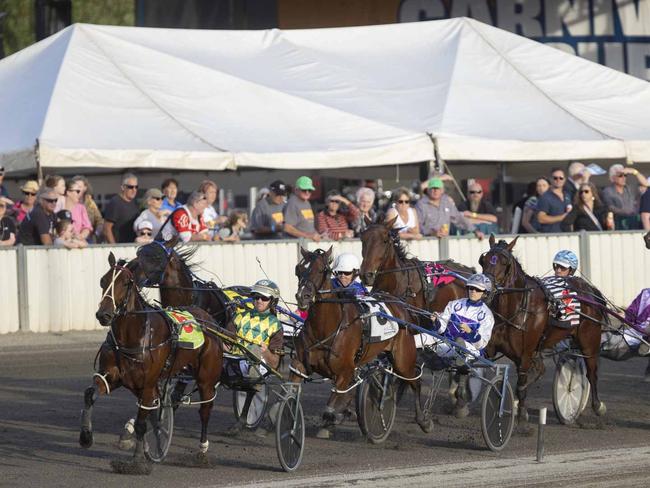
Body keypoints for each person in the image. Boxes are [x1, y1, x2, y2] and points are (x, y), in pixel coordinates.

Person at [224, 279, 284, 436]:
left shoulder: (275, 325)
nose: (259, 301)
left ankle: (253, 380)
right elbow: (226, 343)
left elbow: (275, 362)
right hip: (234, 361)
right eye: (256, 297)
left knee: (254, 349)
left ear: (272, 301)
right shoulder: (239, 317)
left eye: (264, 298)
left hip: (259, 365)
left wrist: (265, 351)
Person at [432, 273, 495, 418]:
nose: (473, 291)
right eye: (471, 288)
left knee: (461, 344)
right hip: (448, 344)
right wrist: (436, 319)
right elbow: (441, 328)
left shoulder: (487, 315)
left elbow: (481, 344)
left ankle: (461, 362)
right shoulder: (455, 304)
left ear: (484, 293)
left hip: (472, 350)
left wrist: (471, 331)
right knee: (423, 338)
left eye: (478, 290)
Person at [416, 178, 484, 239]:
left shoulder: (447, 202)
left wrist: (475, 230)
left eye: (438, 188)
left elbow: (458, 218)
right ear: (428, 190)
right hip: (426, 242)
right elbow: (417, 225)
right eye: (433, 188)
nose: (435, 191)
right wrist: (431, 232)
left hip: (445, 241)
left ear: (442, 190)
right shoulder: (421, 204)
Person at [601, 164, 648, 230]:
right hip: (618, 223)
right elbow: (610, 207)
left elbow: (646, 184)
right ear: (613, 178)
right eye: (620, 175)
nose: (624, 178)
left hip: (634, 222)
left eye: (625, 175)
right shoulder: (608, 191)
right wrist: (627, 212)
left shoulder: (630, 189)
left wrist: (634, 172)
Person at [103, 173, 140, 244]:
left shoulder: (135, 202)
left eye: (136, 187)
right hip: (119, 246)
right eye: (131, 187)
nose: (134, 190)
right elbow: (106, 228)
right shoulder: (115, 202)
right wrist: (114, 247)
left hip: (132, 246)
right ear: (123, 187)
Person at [283, 176, 320, 242]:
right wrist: (308, 236)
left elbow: (308, 225)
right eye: (304, 190)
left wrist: (315, 233)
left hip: (306, 243)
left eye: (309, 190)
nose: (307, 192)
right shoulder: (292, 203)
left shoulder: (307, 202)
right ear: (296, 190)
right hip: (296, 244)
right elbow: (287, 227)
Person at [537, 168, 571, 233]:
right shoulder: (545, 197)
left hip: (567, 235)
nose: (558, 180)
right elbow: (541, 218)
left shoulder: (567, 195)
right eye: (555, 178)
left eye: (561, 178)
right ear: (551, 180)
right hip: (551, 236)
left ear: (564, 180)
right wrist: (561, 217)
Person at [71, 175, 104, 243]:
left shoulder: (90, 202)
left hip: (89, 238)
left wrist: (96, 234)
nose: (77, 189)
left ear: (85, 188)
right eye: (75, 186)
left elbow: (99, 220)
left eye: (79, 187)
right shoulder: (69, 200)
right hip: (73, 238)